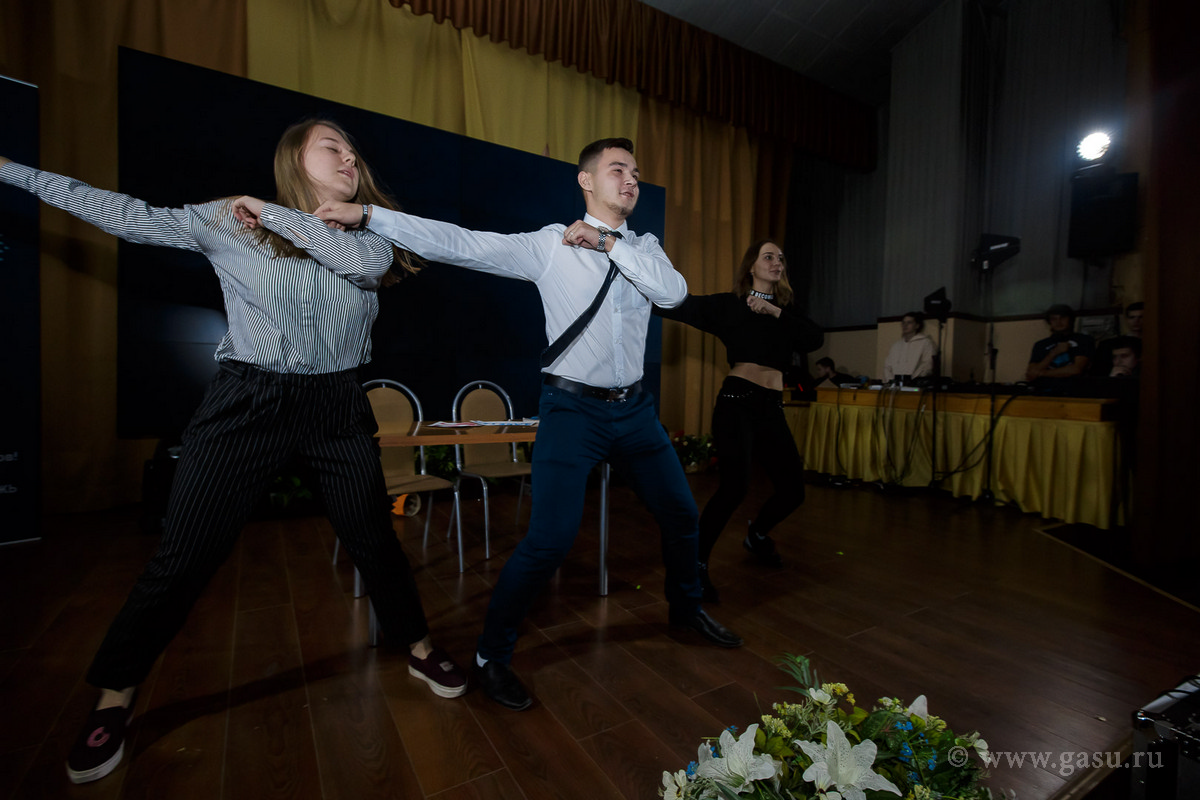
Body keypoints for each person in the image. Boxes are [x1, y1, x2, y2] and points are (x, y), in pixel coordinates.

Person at [0, 118, 468, 785]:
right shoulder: (229, 221)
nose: (350, 158)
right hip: (249, 403)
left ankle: (417, 645)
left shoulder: (368, 235)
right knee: (184, 556)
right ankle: (114, 696)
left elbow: (360, 266)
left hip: (336, 405)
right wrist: (9, 170)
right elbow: (126, 215)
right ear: (294, 159)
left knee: (373, 539)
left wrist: (274, 213)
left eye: (353, 151)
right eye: (332, 147)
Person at [316, 137, 743, 712]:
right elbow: (460, 242)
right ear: (585, 181)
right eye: (618, 169)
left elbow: (674, 293)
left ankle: (686, 608)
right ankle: (492, 655)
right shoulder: (550, 246)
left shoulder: (645, 248)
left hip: (635, 412)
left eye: (637, 173)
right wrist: (370, 215)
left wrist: (609, 243)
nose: (631, 180)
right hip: (573, 410)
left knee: (682, 515)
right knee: (550, 540)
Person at [654, 240, 823, 601]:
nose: (777, 262)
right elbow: (682, 307)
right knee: (735, 487)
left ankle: (757, 535)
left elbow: (814, 338)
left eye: (781, 257)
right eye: (768, 257)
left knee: (793, 490)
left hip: (772, 406)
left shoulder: (787, 312)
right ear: (751, 266)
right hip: (737, 402)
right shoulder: (729, 305)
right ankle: (696, 564)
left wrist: (773, 311)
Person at [1026, 303, 1094, 380]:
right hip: (1043, 386)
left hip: (1073, 385)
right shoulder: (1041, 344)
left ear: (1070, 320)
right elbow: (1030, 374)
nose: (1058, 322)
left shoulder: (1083, 340)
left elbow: (1076, 370)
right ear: (1049, 322)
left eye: (1062, 318)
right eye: (1054, 319)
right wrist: (1054, 353)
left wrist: (1042, 373)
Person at [1092, 302, 1145, 376]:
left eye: (1141, 317)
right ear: (1127, 319)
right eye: (1132, 317)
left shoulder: (1155, 344)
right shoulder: (1107, 344)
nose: (1136, 321)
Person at [882, 311, 937, 383]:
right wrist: (891, 381)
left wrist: (913, 380)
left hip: (915, 384)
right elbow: (887, 366)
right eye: (903, 323)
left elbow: (927, 365)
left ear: (917, 326)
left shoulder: (925, 342)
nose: (905, 325)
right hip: (895, 385)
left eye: (909, 322)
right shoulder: (896, 345)